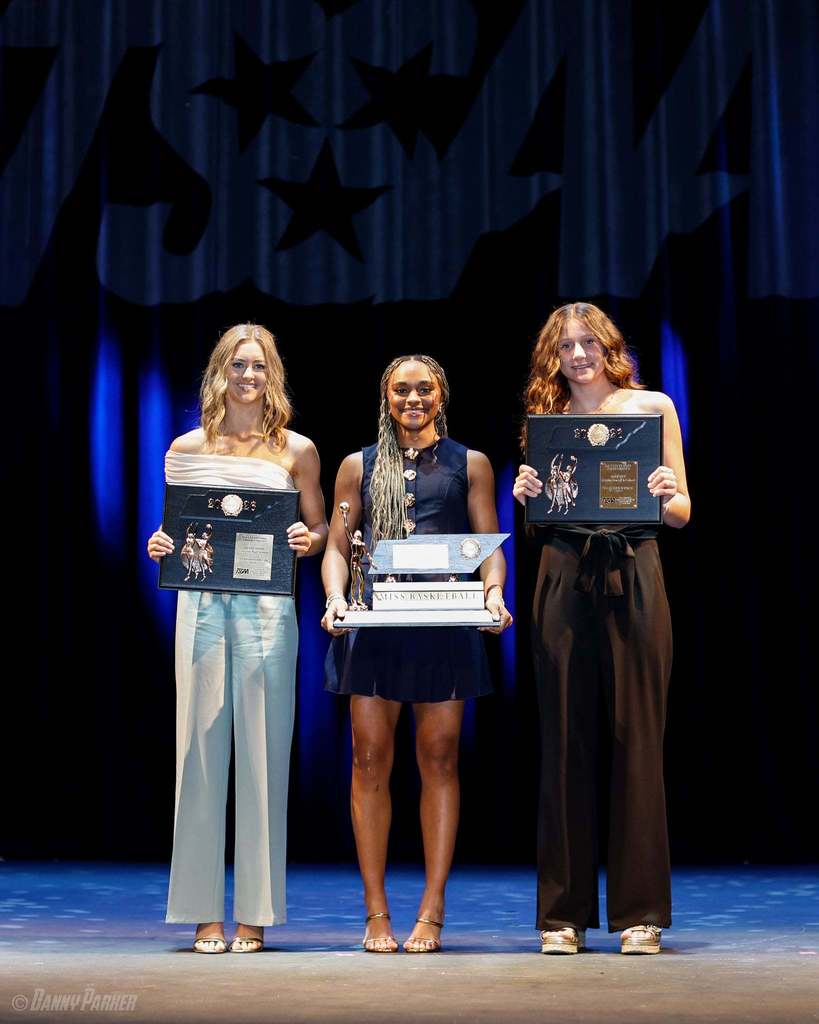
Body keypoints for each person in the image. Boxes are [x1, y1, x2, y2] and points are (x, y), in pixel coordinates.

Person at [513, 303, 690, 956]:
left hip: (634, 569)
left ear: (609, 346)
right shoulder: (547, 421)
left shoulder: (653, 408)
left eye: (589, 343)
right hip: (562, 572)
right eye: (565, 347)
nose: (578, 355)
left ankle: (639, 914)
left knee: (635, 736)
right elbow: (539, 519)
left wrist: (666, 490)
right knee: (564, 737)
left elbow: (680, 513)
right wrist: (525, 492)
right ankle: (562, 917)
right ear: (551, 357)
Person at [321, 355, 512, 953]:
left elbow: (488, 545)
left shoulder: (469, 464)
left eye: (423, 388)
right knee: (369, 760)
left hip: (445, 629)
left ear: (441, 394)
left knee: (440, 759)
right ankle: (376, 910)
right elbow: (334, 546)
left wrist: (494, 593)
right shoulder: (358, 466)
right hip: (375, 629)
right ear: (386, 396)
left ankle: (432, 907)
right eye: (400, 389)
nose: (412, 398)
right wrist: (334, 599)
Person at [146, 323, 327, 953]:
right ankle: (201, 913)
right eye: (238, 365)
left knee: (263, 755)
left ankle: (254, 912)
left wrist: (311, 541)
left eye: (259, 366)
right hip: (200, 606)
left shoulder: (297, 451)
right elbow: (174, 533)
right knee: (196, 755)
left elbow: (321, 528)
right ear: (219, 371)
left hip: (268, 611)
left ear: (271, 374)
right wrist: (160, 545)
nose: (248, 376)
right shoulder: (184, 447)